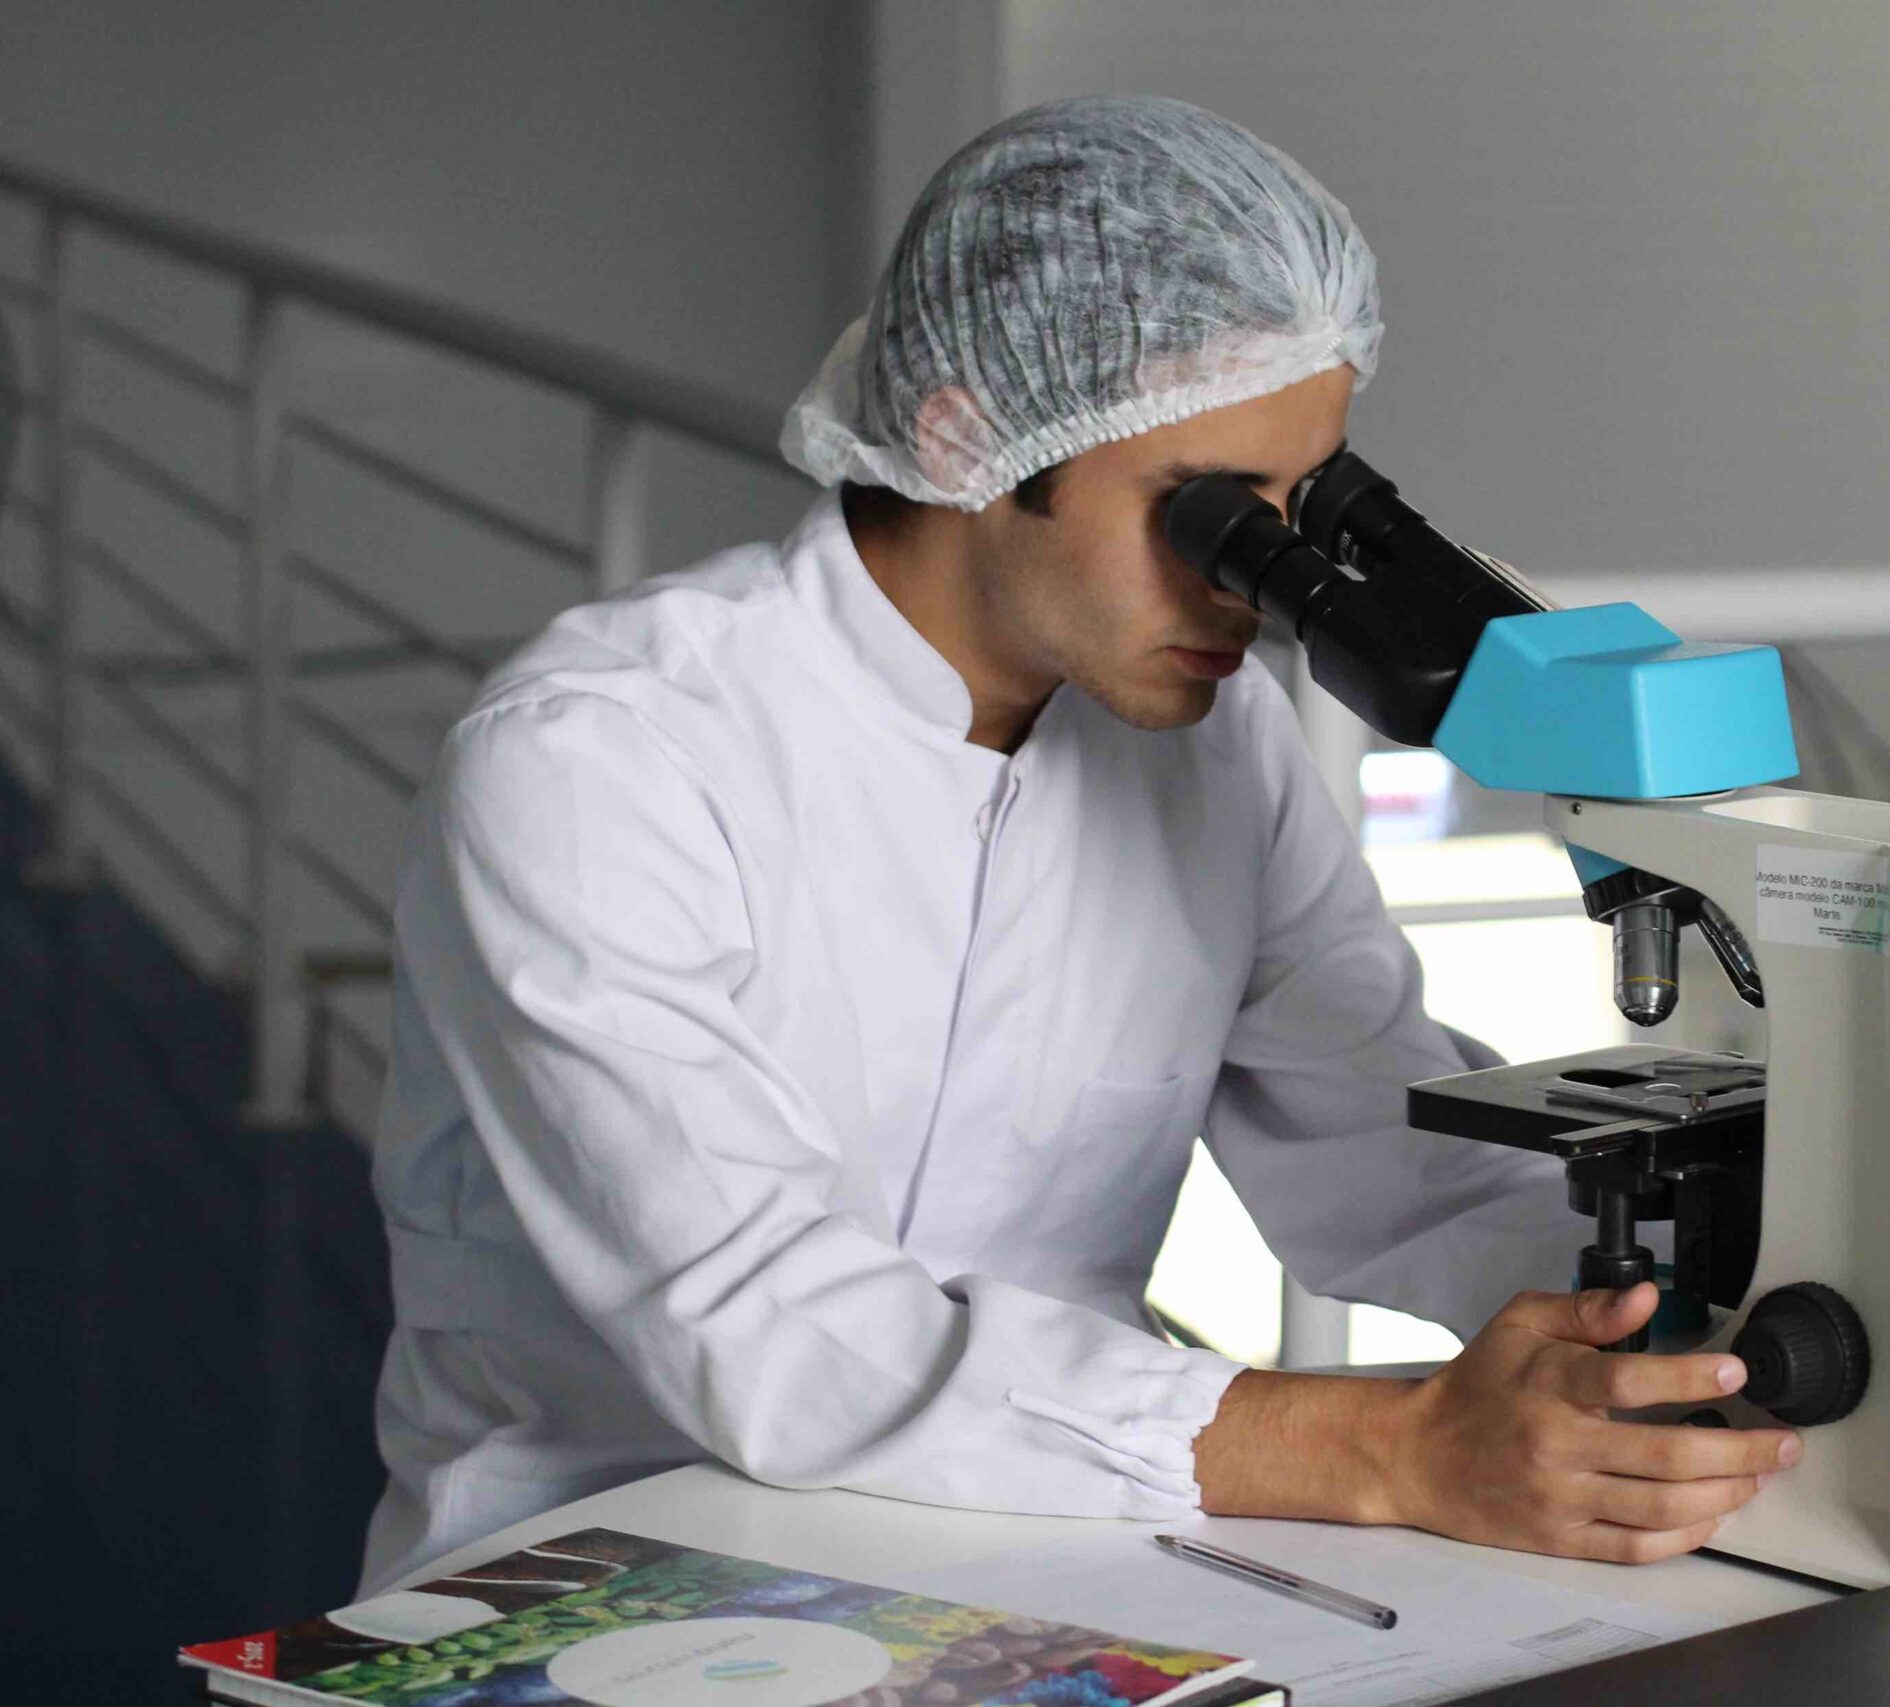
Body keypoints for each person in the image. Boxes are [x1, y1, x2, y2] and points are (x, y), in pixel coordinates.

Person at [358, 95, 1796, 1596]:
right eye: (1215, 520)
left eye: (1306, 508)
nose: (1260, 589)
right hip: (609, 1569)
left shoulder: (1212, 747)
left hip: (1055, 1553)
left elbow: (1392, 1158)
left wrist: (1689, 1327)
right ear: (967, 435)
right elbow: (773, 1330)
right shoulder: (605, 760)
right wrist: (1398, 1448)